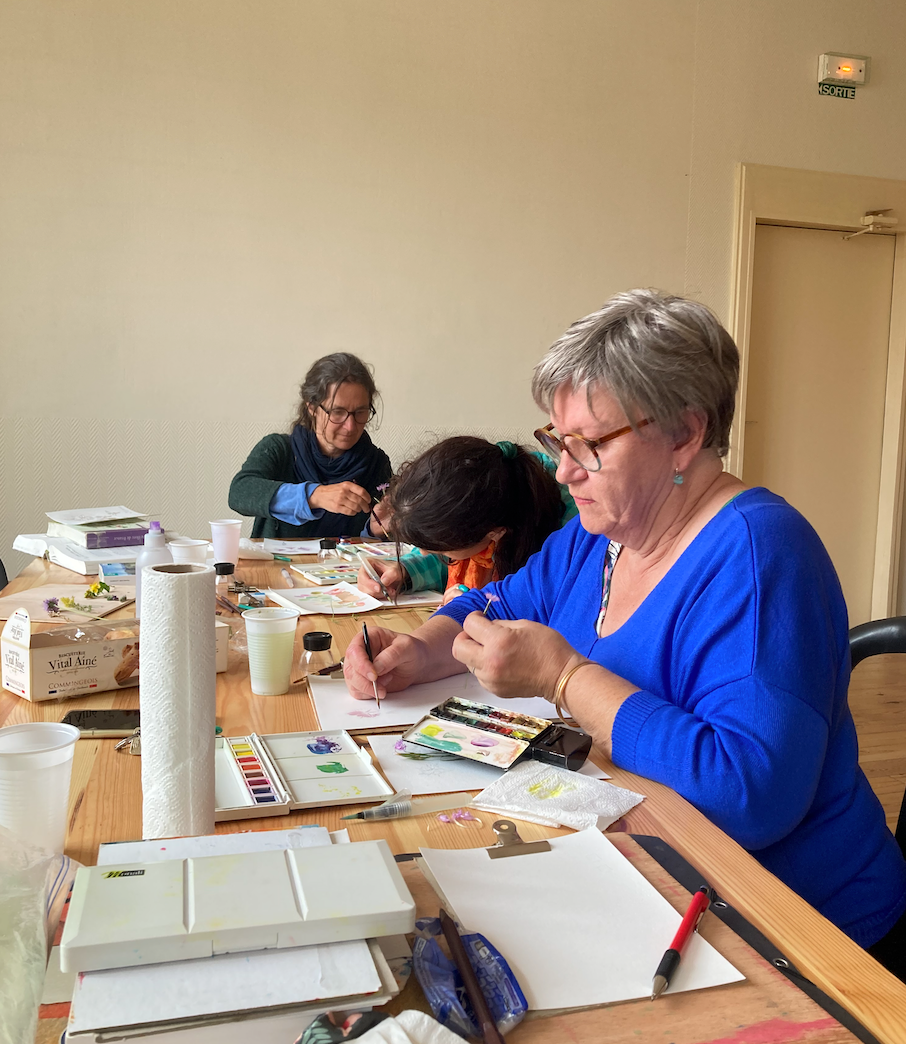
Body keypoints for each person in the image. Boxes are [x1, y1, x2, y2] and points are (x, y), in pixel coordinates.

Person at [344, 289, 906, 970]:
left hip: (802, 935)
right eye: (558, 439)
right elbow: (492, 601)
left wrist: (565, 677)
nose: (563, 468)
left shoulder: (760, 555)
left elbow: (750, 796)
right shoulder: (595, 537)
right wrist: (420, 648)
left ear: (685, 433)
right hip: (657, 884)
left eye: (588, 443)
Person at [356, 437, 576, 604]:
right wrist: (404, 571)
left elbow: (548, 608)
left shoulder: (569, 542)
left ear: (495, 533)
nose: (423, 552)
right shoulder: (489, 497)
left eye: (441, 549)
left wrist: (481, 605)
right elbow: (452, 560)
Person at [229, 353, 392, 539]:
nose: (350, 426)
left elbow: (376, 542)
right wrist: (314, 495)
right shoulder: (280, 449)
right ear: (312, 407)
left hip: (346, 568)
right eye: (337, 412)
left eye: (360, 412)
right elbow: (239, 492)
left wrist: (376, 530)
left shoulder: (376, 463)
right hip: (275, 566)